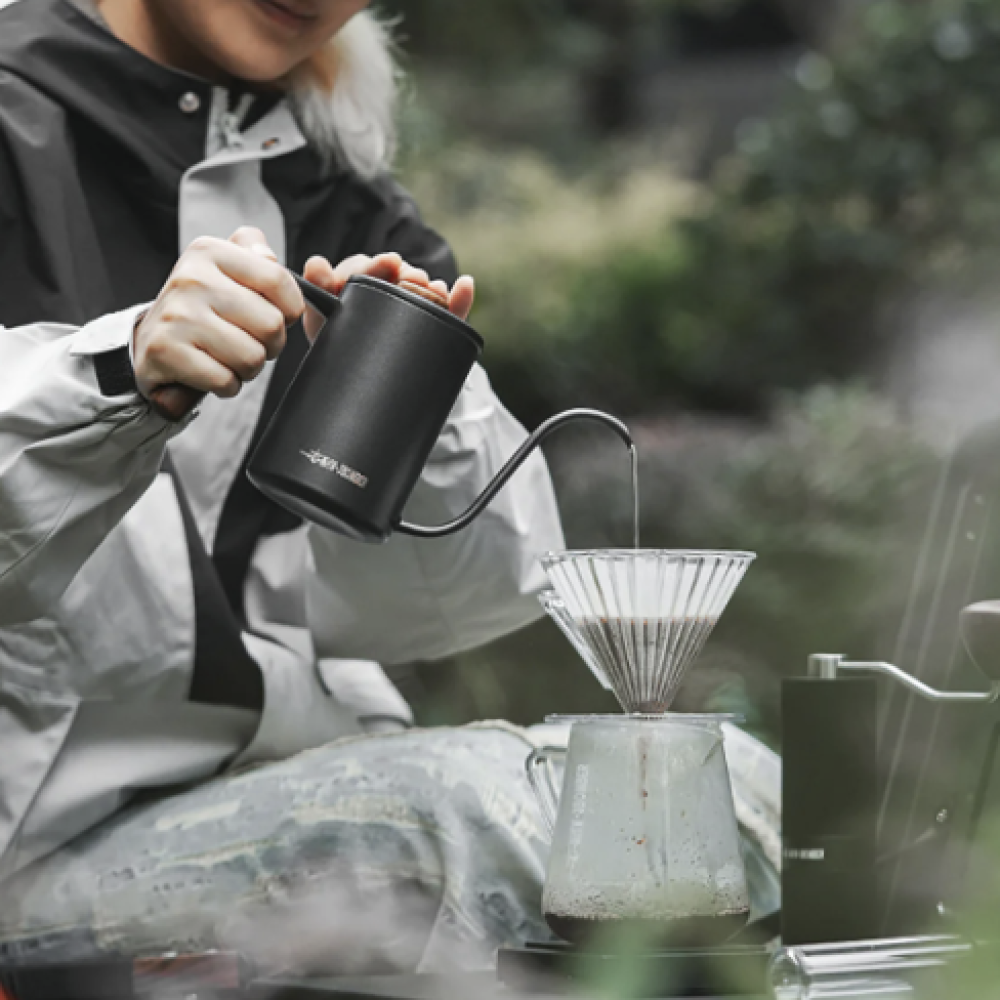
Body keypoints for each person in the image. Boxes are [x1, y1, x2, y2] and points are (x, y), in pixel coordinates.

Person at [0, 0, 568, 973]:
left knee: (678, 790)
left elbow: (457, 604)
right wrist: (117, 377)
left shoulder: (337, 188)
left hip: (255, 777)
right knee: (477, 812)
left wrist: (415, 423)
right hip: (31, 841)